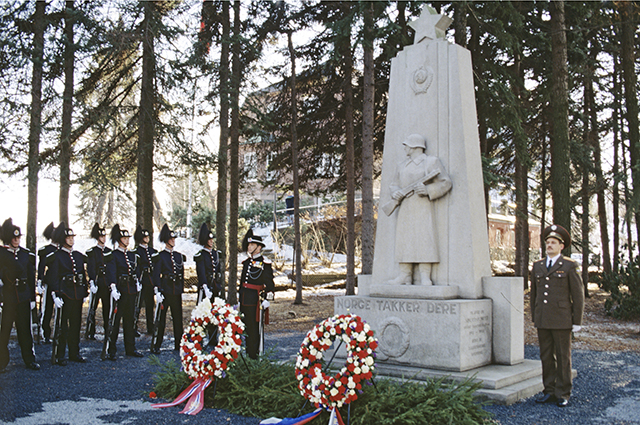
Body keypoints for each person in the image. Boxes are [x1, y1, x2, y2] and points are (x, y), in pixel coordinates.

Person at [385, 134, 452, 286]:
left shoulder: (431, 162)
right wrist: (395, 192)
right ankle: (404, 276)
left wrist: (428, 189)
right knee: (404, 240)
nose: (405, 148)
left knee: (424, 240)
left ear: (415, 146)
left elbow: (445, 182)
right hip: (405, 207)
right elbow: (394, 184)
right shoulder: (402, 165)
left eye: (407, 145)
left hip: (423, 207)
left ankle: (424, 277)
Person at [531, 224, 585, 407]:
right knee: (546, 357)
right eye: (548, 242)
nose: (550, 245)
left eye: (554, 242)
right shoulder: (537, 266)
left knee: (563, 357)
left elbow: (578, 295)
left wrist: (577, 321)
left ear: (562, 246)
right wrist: (535, 316)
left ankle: (563, 393)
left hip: (562, 319)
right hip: (543, 319)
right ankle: (549, 391)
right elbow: (534, 295)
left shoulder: (570, 265)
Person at [0, 219, 40, 372]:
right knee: (5, 331)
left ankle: (29, 360)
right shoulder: (2, 253)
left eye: (18, 238)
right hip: (8, 298)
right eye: (14, 238)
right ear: (9, 238)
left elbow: (30, 277)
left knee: (25, 331)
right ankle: (2, 362)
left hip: (23, 297)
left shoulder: (25, 254)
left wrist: (31, 298)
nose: (16, 240)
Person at [48, 222, 88, 365]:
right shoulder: (57, 256)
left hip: (76, 293)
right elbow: (53, 277)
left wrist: (85, 291)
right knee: (62, 326)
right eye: (68, 237)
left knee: (76, 325)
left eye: (72, 237)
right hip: (65, 293)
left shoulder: (77, 255)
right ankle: (60, 354)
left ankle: (74, 352)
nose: (71, 240)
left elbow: (83, 274)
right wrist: (55, 294)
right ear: (63, 239)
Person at [105, 225, 143, 360]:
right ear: (119, 239)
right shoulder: (113, 255)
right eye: (124, 238)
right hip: (120, 290)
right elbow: (111, 272)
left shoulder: (132, 255)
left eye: (128, 238)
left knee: (130, 320)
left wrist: (137, 281)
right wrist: (113, 287)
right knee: (115, 321)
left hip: (131, 290)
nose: (127, 241)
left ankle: (130, 348)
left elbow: (136, 270)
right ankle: (112, 349)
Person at [238, 229, 274, 359]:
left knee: (254, 330)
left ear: (259, 247)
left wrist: (267, 298)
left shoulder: (265, 264)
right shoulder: (246, 263)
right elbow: (242, 283)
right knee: (246, 329)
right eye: (248, 245)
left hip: (256, 302)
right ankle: (248, 354)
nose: (249, 247)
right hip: (244, 300)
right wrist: (239, 298)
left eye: (252, 245)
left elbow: (270, 284)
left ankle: (254, 356)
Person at [151, 224, 185, 354]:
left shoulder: (178, 256)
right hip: (165, 290)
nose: (173, 241)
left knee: (178, 318)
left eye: (174, 239)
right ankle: (157, 344)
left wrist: (181, 288)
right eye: (171, 239)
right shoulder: (160, 256)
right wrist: (157, 290)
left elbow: (181, 273)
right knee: (161, 319)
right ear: (166, 241)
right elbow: (156, 274)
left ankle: (179, 344)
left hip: (176, 290)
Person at [85, 223, 111, 340]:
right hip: (97, 282)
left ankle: (107, 330)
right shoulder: (92, 252)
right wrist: (91, 281)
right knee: (92, 308)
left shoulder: (109, 251)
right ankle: (90, 331)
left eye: (104, 236)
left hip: (106, 284)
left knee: (107, 308)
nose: (103, 238)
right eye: (101, 236)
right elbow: (90, 267)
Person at [37, 222, 57, 344]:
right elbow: (42, 267)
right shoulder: (46, 250)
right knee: (47, 309)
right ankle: (45, 333)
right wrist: (39, 281)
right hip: (50, 282)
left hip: (61, 283)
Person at [134, 225, 156, 335]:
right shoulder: (137, 252)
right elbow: (136, 267)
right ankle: (134, 326)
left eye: (148, 237)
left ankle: (150, 327)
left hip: (150, 281)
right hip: (142, 280)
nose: (147, 238)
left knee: (150, 304)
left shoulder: (152, 251)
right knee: (137, 304)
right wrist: (138, 279)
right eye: (145, 237)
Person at [193, 223, 222, 304]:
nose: (211, 241)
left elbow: (218, 271)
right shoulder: (201, 255)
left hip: (215, 285)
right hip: (205, 285)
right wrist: (205, 287)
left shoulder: (215, 254)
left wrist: (219, 286)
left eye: (212, 239)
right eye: (209, 240)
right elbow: (201, 272)